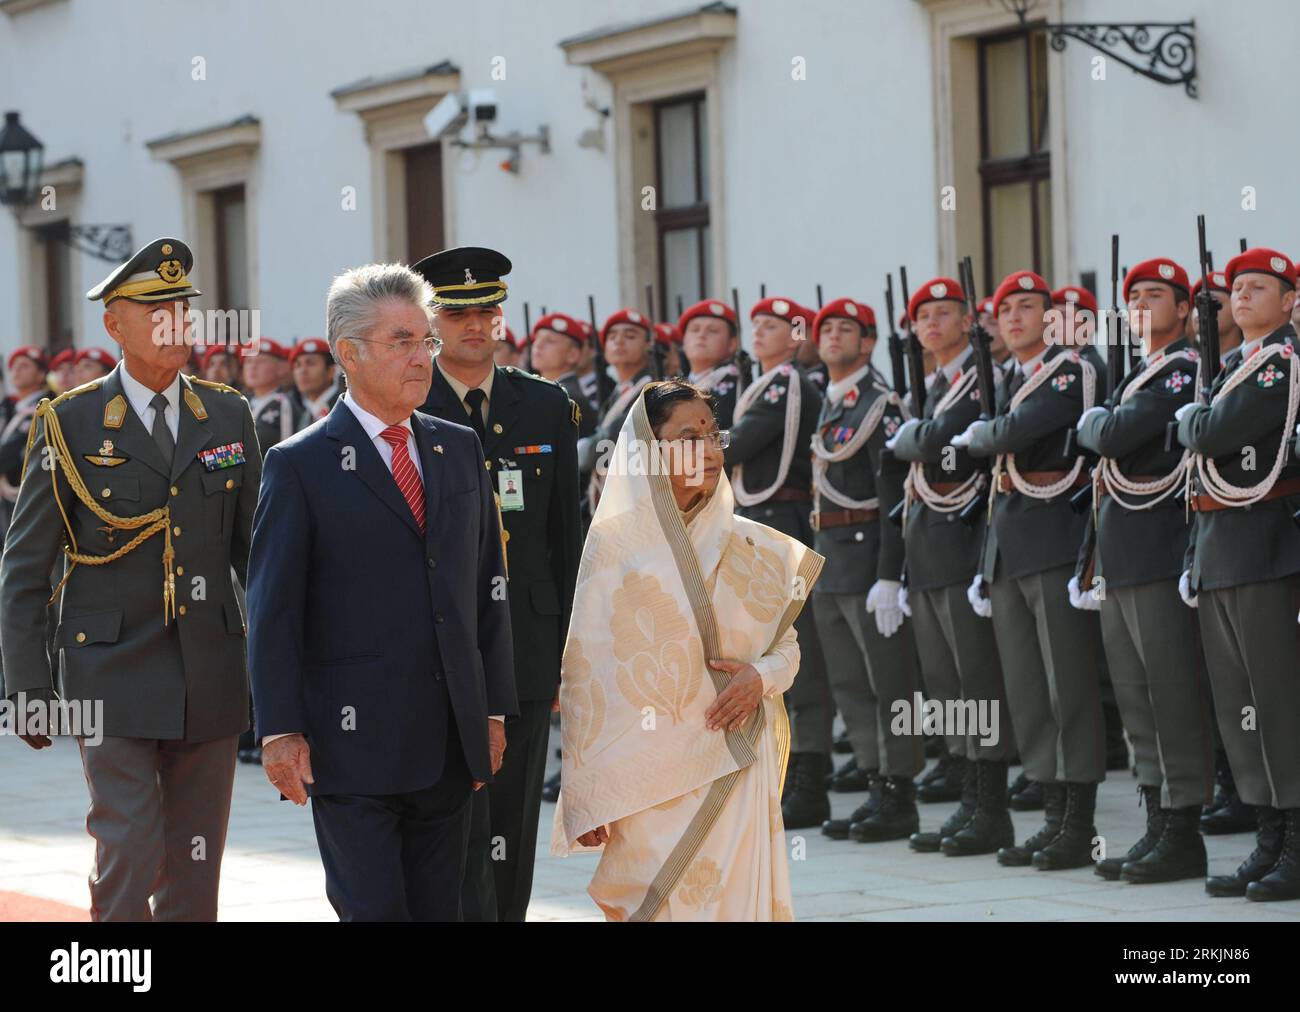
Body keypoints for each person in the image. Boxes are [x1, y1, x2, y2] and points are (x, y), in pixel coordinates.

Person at [0, 237, 262, 921]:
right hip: (109, 668)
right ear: (114, 324)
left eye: (183, 310)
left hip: (209, 667)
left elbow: (257, 555)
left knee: (194, 867)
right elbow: (26, 565)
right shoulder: (70, 420)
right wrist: (28, 686)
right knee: (131, 846)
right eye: (156, 311)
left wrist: (288, 673)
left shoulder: (228, 414)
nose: (176, 325)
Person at [248, 261, 516, 922]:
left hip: (448, 742)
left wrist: (494, 709)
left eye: (425, 340)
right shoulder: (300, 464)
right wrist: (280, 728)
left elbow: (488, 587)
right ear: (350, 353)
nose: (424, 356)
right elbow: (273, 610)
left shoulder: (459, 449)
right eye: (402, 341)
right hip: (351, 747)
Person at [553, 379, 824, 920]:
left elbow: (788, 649)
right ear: (651, 447)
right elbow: (588, 676)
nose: (707, 447)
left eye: (712, 432)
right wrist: (587, 796)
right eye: (687, 435)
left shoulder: (753, 543)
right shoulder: (615, 547)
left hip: (735, 757)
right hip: (647, 780)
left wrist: (760, 677)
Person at [414, 247, 582, 923]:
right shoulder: (406, 400)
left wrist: (575, 651)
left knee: (511, 824)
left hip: (526, 644)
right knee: (447, 819)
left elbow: (564, 540)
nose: (474, 325)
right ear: (431, 323)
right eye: (456, 313)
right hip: (434, 645)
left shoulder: (543, 406)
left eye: (485, 310)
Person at [953, 269, 1106, 871]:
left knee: (1067, 685)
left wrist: (983, 433)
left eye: (1027, 306)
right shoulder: (1010, 375)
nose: (1013, 317)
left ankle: (1079, 821)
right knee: (1029, 691)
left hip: (1052, 541)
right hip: (1010, 543)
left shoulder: (1070, 369)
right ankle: (1049, 813)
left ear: (1052, 315)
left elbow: (1015, 432)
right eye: (1004, 308)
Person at [1073, 258, 1214, 882]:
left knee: (1171, 693)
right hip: (1123, 553)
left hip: (1159, 550)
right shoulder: (1139, 373)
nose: (1142, 305)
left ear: (1185, 309)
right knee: (1135, 696)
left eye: (1156, 295)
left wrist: (1095, 424)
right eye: (1133, 297)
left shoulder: (1183, 369)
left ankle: (1184, 829)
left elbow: (1115, 434)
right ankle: (1158, 821)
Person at [1176, 248, 1300, 902]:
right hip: (1222, 546)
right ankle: (1268, 839)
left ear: (1290, 303)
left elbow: (1216, 432)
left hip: (1263, 548)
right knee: (1241, 708)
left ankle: (1296, 847)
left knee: (1276, 706)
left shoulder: (1281, 363)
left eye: (1259, 287)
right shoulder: (1233, 364)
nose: (1243, 297)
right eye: (1237, 288)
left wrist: (1190, 420)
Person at [887, 277, 1017, 856]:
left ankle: (991, 808)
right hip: (928, 549)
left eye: (945, 313)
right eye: (924, 316)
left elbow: (943, 444)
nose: (933, 324)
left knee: (976, 681)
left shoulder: (978, 378)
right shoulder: (930, 383)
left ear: (969, 322)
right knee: (945, 686)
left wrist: (914, 436)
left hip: (963, 545)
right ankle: (969, 798)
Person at [805, 295, 925, 842]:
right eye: (826, 327)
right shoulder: (832, 401)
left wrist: (889, 572)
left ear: (869, 342)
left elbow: (894, 495)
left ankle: (900, 791)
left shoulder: (880, 403)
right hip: (830, 558)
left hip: (866, 556)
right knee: (851, 685)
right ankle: (876, 782)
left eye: (846, 328)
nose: (832, 335)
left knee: (888, 683)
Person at [724, 295, 830, 829]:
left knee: (791, 650)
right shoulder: (762, 383)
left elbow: (738, 445)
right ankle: (787, 772)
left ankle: (809, 779)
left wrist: (687, 444)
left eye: (773, 326)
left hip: (781, 518)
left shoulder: (787, 383)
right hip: (763, 518)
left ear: (796, 337)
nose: (760, 332)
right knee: (765, 645)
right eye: (756, 324)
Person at [582, 308, 655, 512]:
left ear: (649, 345)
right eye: (612, 337)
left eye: (630, 336)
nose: (619, 341)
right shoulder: (619, 391)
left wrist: (580, 451)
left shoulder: (650, 388)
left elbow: (610, 439)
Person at [0, 347, 51, 531]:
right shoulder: (12, 408)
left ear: (41, 375)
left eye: (24, 366)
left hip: (26, 497)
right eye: (14, 367)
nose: (16, 371)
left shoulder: (46, 406)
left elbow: (11, 451)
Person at [680, 299, 743, 428]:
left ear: (732, 344)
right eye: (695, 329)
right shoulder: (675, 384)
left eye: (713, 330)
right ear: (684, 342)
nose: (701, 335)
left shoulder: (738, 385)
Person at [241, 337, 309, 449]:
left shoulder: (283, 405)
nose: (253, 367)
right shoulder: (242, 401)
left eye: (261, 361)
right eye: (248, 361)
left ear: (281, 368)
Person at [289, 337, 343, 421]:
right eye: (298, 365)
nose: (303, 371)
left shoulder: (345, 407)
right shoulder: (300, 414)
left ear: (331, 371)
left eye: (311, 363)